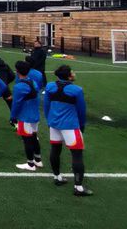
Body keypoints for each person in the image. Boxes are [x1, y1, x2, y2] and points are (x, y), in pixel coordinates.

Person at [44, 65, 92, 196]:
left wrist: (49, 120)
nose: (74, 73)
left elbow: (46, 105)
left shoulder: (49, 87)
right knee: (77, 155)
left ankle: (57, 177)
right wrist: (81, 125)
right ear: (69, 76)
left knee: (55, 150)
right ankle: (78, 187)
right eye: (72, 72)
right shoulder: (76, 90)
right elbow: (81, 110)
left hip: (54, 124)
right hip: (70, 126)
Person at [11, 60, 43, 171]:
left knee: (27, 140)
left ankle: (30, 164)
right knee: (34, 137)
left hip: (25, 117)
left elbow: (16, 104)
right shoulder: (33, 82)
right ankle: (38, 160)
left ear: (17, 71)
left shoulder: (19, 87)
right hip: (35, 115)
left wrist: (13, 117)